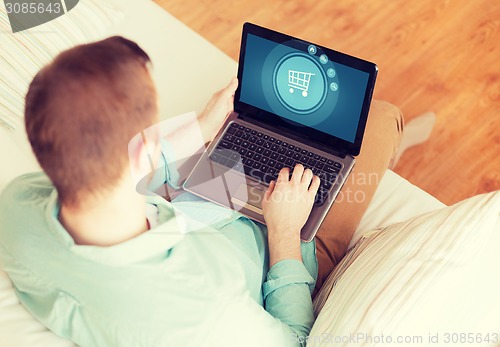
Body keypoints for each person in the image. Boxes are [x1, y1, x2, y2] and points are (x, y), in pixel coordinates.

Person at [0, 37, 403, 346]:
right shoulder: (206, 305)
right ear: (144, 147)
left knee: (243, 136)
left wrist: (202, 128)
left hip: (194, 200)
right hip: (282, 241)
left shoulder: (16, 205)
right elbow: (294, 338)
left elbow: (114, 168)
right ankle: (401, 140)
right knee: (381, 118)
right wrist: (284, 233)